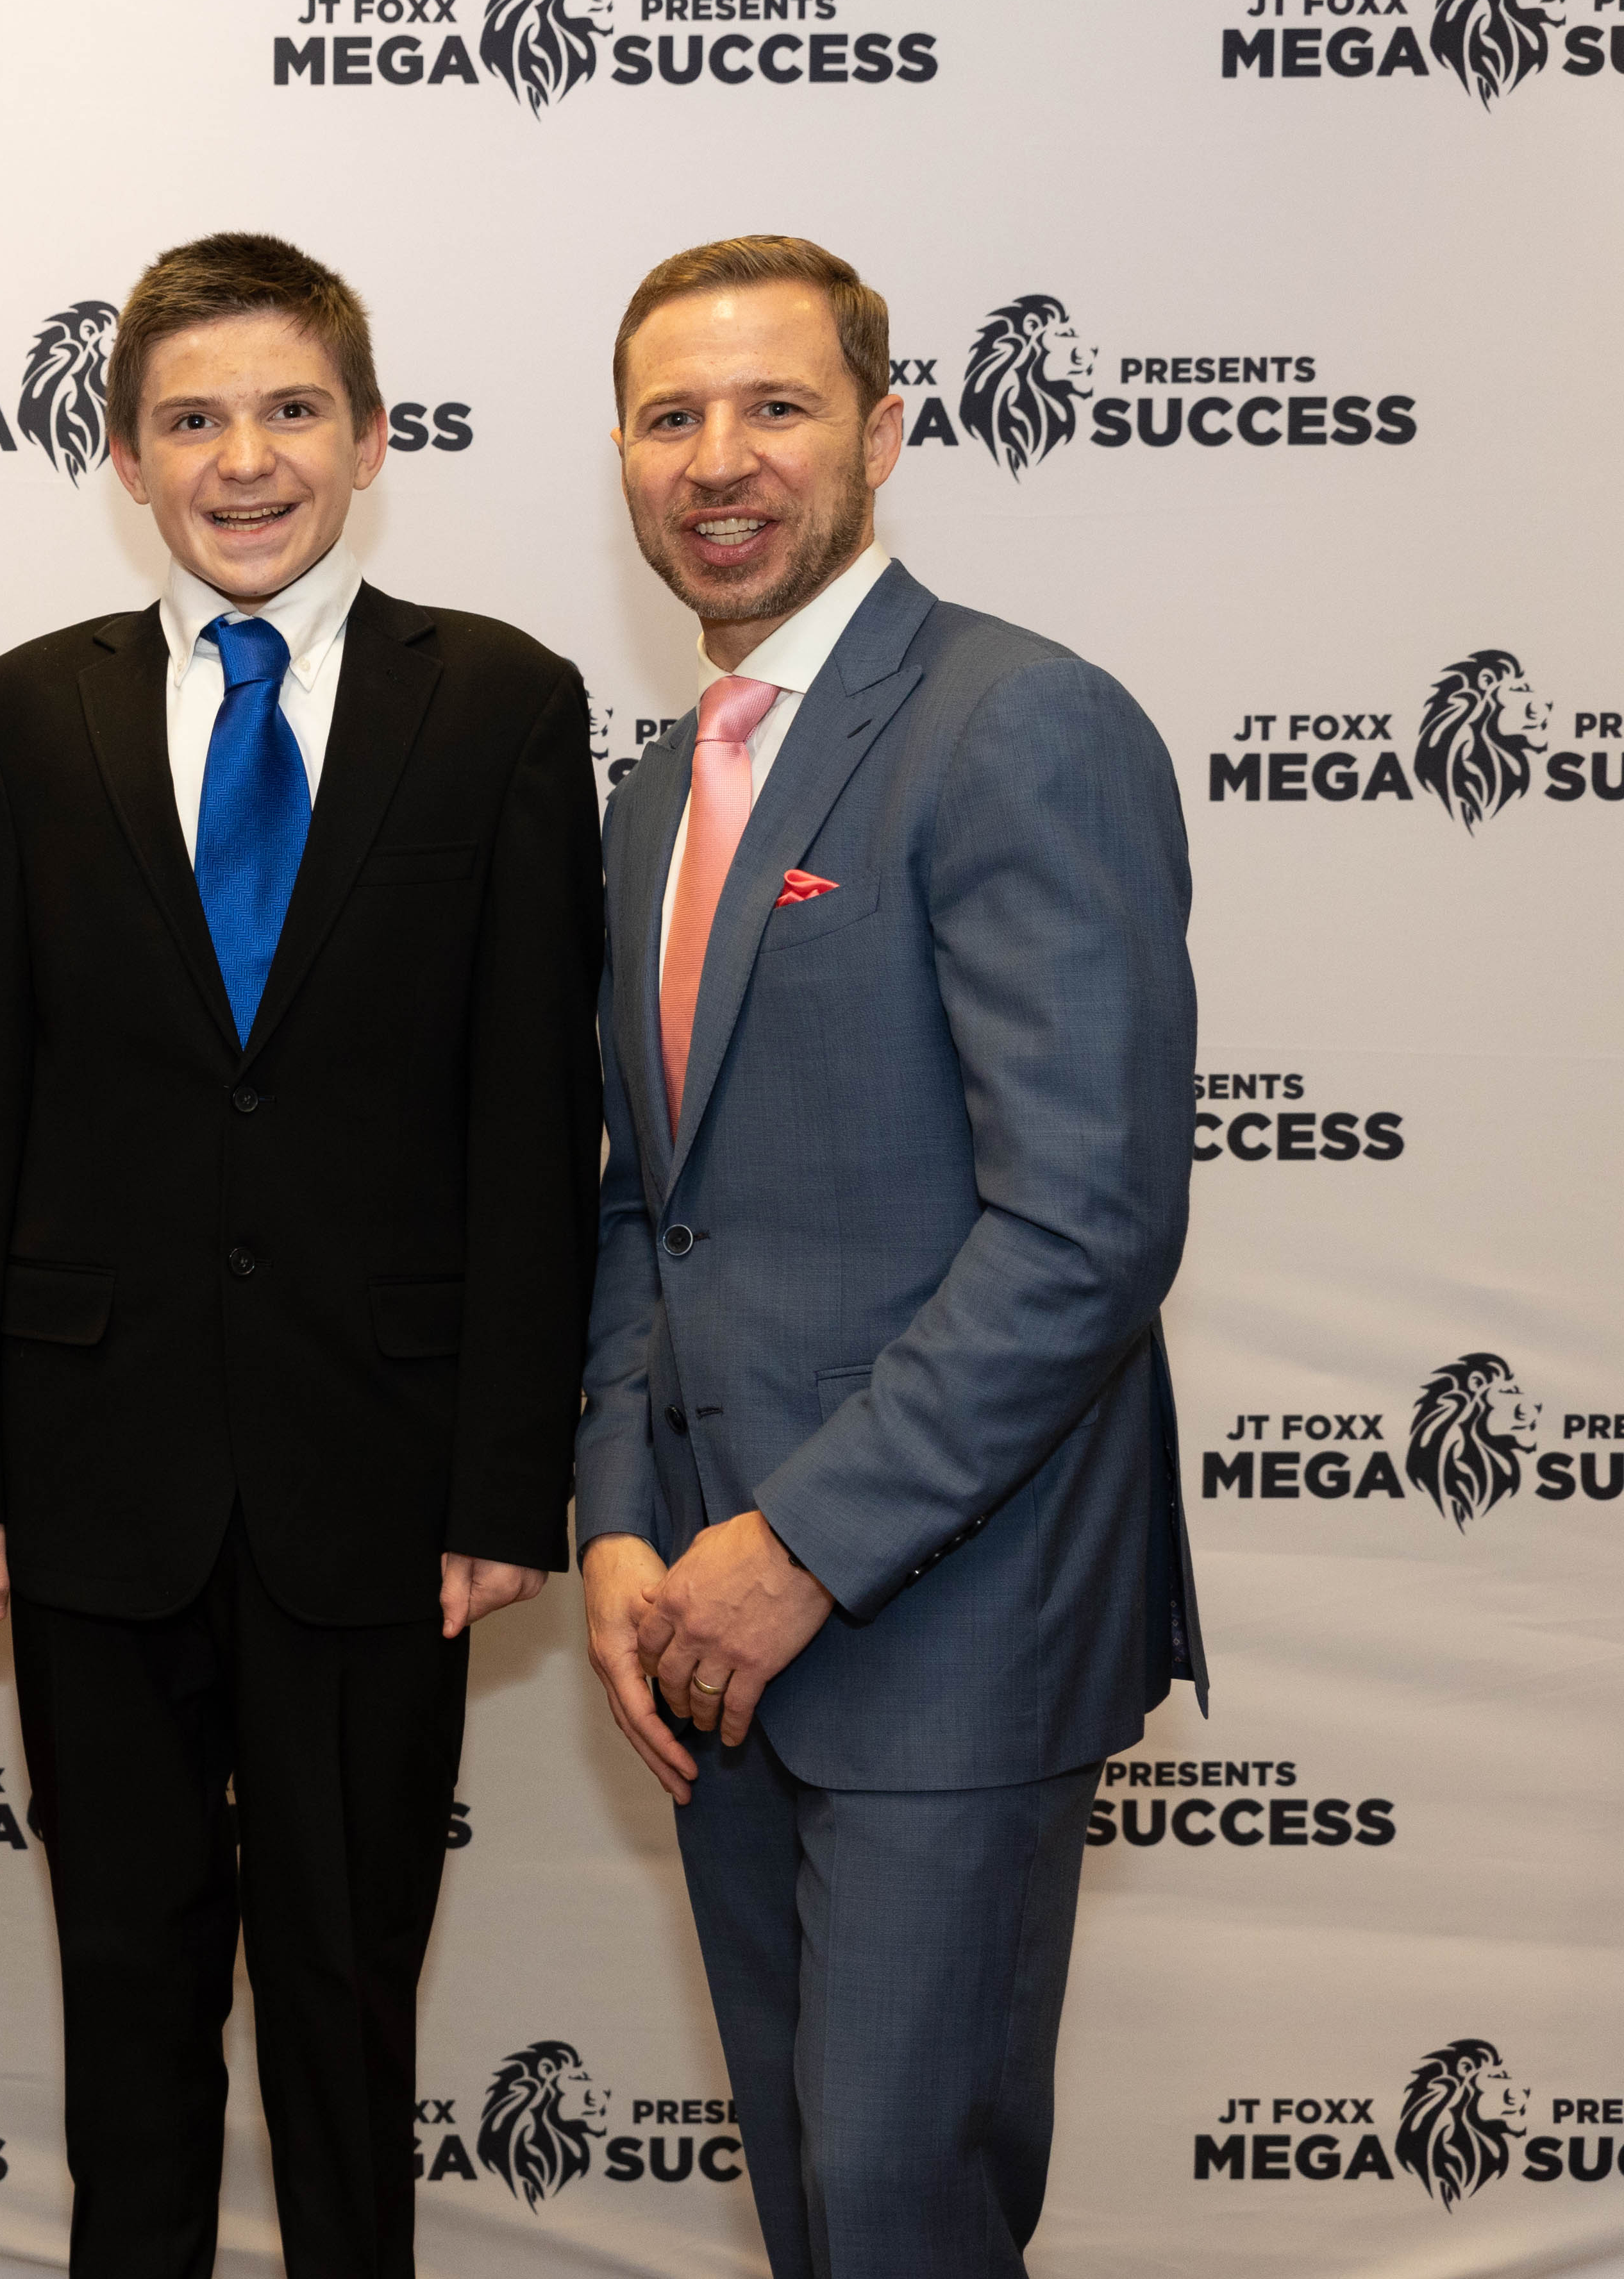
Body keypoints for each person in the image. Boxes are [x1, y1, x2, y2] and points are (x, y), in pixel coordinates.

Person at [0, 231, 603, 2278]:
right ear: (124, 460)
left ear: (373, 438)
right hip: (91, 1475)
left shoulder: (498, 702)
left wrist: (505, 1481)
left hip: (378, 1479)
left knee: (346, 1993)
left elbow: (530, 1120)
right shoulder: (23, 714)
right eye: (192, 421)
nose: (245, 461)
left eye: (292, 410)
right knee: (126, 1997)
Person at [575, 234, 1203, 2279]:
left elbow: (1088, 1229)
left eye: (778, 406)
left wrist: (807, 1545)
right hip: (707, 1631)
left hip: (950, 1629)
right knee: (814, 2213)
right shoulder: (660, 791)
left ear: (884, 434)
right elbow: (649, 1203)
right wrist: (616, 1525)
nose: (719, 459)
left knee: (902, 2220)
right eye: (672, 416)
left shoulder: (1020, 722)